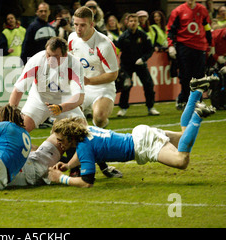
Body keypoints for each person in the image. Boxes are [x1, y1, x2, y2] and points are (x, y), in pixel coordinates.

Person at [48, 76, 217, 188]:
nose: (59, 143)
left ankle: (197, 114)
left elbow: (87, 182)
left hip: (142, 145)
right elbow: (84, 153)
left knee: (182, 161)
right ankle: (196, 92)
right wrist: (69, 165)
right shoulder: (85, 131)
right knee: (184, 137)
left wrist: (60, 178)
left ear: (71, 137)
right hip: (140, 134)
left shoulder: (84, 147)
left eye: (61, 139)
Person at [10, 36, 85, 132]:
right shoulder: (36, 60)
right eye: (48, 55)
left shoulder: (74, 64)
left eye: (55, 56)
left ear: (65, 55)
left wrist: (61, 107)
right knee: (17, 131)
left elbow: (79, 97)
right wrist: (10, 115)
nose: (51, 59)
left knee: (82, 132)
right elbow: (18, 89)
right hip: (39, 99)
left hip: (64, 101)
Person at [68, 6, 118, 128]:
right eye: (76, 24)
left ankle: (101, 128)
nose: (78, 29)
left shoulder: (104, 44)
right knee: (71, 120)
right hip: (81, 85)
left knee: (100, 118)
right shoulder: (72, 38)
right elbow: (71, 58)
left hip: (102, 87)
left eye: (83, 25)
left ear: (92, 24)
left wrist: (89, 80)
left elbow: (113, 74)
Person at [167, 0, 212, 110]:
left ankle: (198, 101)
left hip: (200, 47)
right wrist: (171, 46)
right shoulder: (178, 11)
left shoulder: (202, 10)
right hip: (184, 47)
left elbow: (207, 28)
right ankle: (184, 99)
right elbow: (171, 30)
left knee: (199, 77)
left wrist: (210, 44)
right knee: (186, 76)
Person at [116, 13, 160, 117]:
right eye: (131, 21)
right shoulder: (123, 37)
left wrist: (143, 59)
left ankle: (151, 107)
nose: (133, 23)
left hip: (140, 63)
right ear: (127, 23)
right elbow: (116, 50)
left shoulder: (143, 35)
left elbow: (150, 49)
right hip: (126, 65)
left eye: (135, 21)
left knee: (148, 84)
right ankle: (123, 108)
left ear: (138, 22)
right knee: (126, 85)